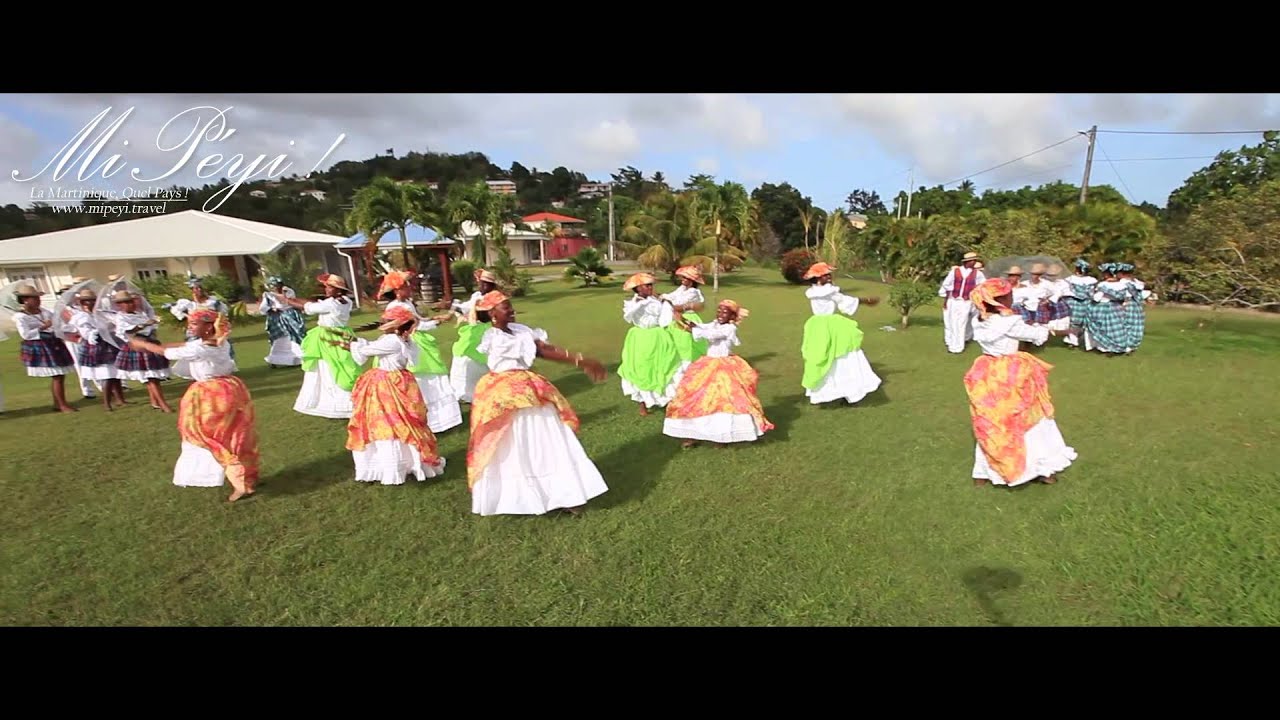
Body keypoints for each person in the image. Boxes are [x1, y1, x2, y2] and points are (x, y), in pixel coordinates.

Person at [466, 290, 609, 516]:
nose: (512, 310)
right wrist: (581, 362)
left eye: (511, 305)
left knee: (544, 439)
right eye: (506, 307)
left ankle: (564, 493)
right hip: (505, 392)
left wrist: (579, 359)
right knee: (514, 442)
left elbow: (545, 347)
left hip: (526, 387)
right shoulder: (494, 338)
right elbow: (541, 351)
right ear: (493, 314)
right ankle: (522, 497)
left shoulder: (520, 331)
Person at [128, 308, 259, 502]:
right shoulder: (216, 341)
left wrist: (144, 344)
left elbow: (168, 352)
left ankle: (240, 482)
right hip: (228, 389)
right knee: (235, 436)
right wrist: (148, 344)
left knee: (209, 436)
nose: (190, 326)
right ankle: (246, 478)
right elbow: (182, 345)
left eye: (194, 323)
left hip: (213, 396)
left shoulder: (201, 348)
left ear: (208, 327)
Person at [964, 278, 1077, 488]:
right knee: (1030, 420)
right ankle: (1041, 470)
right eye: (1008, 294)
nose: (1012, 296)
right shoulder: (1009, 321)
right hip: (1012, 374)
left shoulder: (979, 320)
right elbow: (1035, 335)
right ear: (1001, 299)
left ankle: (984, 472)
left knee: (991, 423)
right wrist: (1062, 331)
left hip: (986, 373)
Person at [327, 305, 448, 485]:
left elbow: (366, 350)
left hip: (386, 386)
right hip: (400, 381)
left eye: (387, 320)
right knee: (403, 422)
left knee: (388, 423)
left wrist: (347, 343)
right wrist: (348, 343)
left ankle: (393, 467)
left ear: (396, 324)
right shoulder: (402, 339)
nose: (382, 321)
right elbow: (368, 347)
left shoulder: (391, 341)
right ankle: (409, 462)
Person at [663, 299, 774, 448]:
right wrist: (680, 318)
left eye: (725, 312)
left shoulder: (729, 328)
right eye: (719, 311)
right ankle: (691, 433)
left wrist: (692, 329)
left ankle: (721, 436)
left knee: (725, 400)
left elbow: (711, 335)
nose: (721, 314)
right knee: (696, 396)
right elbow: (700, 327)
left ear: (732, 316)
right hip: (708, 364)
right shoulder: (714, 324)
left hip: (724, 367)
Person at [379, 270, 462, 434]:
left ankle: (435, 419)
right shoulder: (396, 307)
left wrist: (436, 319)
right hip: (410, 342)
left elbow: (419, 321)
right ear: (396, 290)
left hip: (416, 339)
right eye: (405, 286)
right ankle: (423, 418)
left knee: (429, 379)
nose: (409, 288)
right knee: (423, 379)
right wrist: (437, 322)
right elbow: (416, 325)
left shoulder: (407, 303)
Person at [275, 273, 363, 418]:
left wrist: (287, 301)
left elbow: (309, 307)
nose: (326, 290)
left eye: (330, 287)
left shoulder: (331, 304)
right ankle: (337, 404)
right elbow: (312, 304)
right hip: (342, 334)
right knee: (339, 366)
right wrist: (291, 299)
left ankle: (340, 406)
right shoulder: (346, 301)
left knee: (329, 369)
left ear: (339, 290)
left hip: (328, 338)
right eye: (326, 287)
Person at [800, 262, 883, 406]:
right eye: (826, 276)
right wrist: (866, 301)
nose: (830, 277)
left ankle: (831, 390)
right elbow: (844, 302)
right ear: (819, 279)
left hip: (817, 327)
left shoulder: (813, 292)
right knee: (843, 357)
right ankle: (847, 390)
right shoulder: (829, 292)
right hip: (831, 327)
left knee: (822, 357)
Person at [618, 272, 682, 415]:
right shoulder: (633, 303)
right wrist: (642, 302)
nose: (650, 288)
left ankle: (666, 401)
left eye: (650, 285)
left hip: (658, 336)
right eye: (647, 285)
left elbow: (665, 318)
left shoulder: (655, 300)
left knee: (663, 366)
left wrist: (664, 301)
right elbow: (628, 316)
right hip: (640, 338)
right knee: (641, 368)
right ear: (638, 288)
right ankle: (642, 405)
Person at [103, 288, 174, 412]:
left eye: (131, 301)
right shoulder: (121, 317)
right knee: (151, 377)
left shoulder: (139, 314)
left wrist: (152, 324)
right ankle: (163, 404)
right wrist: (144, 325)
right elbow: (128, 331)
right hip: (137, 345)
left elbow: (149, 327)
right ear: (119, 305)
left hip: (149, 343)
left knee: (153, 376)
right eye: (126, 302)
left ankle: (155, 401)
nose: (131, 304)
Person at [12, 284, 78, 412]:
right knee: (57, 375)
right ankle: (62, 404)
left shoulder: (45, 312)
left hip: (53, 342)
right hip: (40, 345)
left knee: (59, 375)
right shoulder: (21, 317)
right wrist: (43, 327)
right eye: (34, 298)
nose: (38, 300)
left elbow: (57, 324)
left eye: (38, 298)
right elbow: (26, 334)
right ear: (25, 300)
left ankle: (58, 403)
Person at [66, 287, 126, 411]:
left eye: (93, 300)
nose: (92, 303)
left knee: (115, 373)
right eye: (88, 301)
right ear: (82, 303)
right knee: (106, 375)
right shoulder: (81, 317)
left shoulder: (99, 313)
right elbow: (87, 333)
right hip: (96, 347)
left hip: (109, 343)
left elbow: (111, 323)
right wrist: (97, 331)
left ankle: (120, 399)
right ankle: (107, 403)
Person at [445, 269, 499, 403]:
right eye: (480, 283)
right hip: (474, 330)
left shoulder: (495, 297)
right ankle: (464, 392)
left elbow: (485, 314)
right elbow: (466, 307)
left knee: (484, 360)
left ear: (490, 285)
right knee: (462, 357)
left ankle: (487, 389)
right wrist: (453, 306)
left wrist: (471, 313)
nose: (481, 287)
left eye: (484, 284)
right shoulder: (476, 295)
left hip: (486, 330)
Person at [169, 276, 234, 362]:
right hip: (196, 330)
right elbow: (175, 310)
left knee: (218, 347)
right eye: (195, 288)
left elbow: (223, 313)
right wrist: (188, 317)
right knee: (194, 348)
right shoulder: (189, 303)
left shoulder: (213, 302)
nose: (198, 290)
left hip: (212, 329)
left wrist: (219, 321)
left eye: (200, 288)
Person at [659, 265, 709, 372]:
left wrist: (667, 300)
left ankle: (689, 366)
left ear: (691, 281)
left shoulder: (693, 292)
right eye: (683, 277)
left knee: (686, 343)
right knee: (676, 342)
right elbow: (671, 296)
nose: (682, 279)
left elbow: (677, 304)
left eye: (685, 278)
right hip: (677, 317)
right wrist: (664, 298)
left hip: (687, 317)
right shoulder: (682, 289)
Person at [938, 251, 986, 353]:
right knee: (952, 322)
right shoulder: (955, 272)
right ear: (967, 262)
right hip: (954, 300)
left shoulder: (978, 274)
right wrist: (947, 299)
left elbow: (982, 286)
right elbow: (947, 284)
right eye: (972, 261)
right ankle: (951, 343)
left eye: (975, 260)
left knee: (961, 323)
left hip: (966, 301)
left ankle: (958, 347)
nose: (974, 262)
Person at [258, 275, 306, 367]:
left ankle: (298, 358)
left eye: (278, 285)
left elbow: (290, 302)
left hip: (290, 317)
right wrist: (272, 309)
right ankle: (276, 360)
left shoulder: (289, 292)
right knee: (280, 340)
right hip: (278, 320)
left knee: (295, 337)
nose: (277, 287)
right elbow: (263, 308)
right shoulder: (269, 295)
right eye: (275, 286)